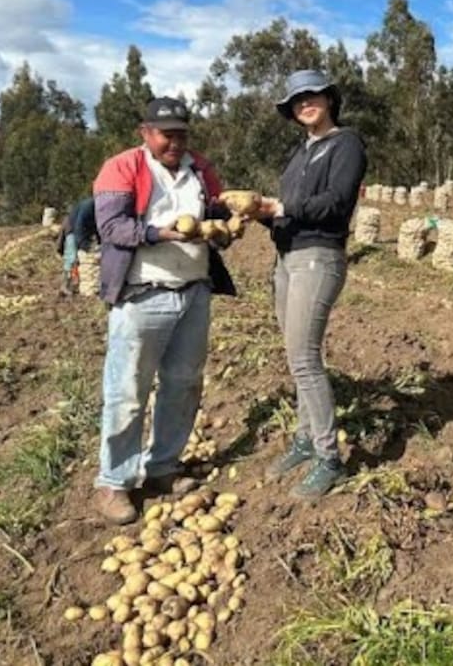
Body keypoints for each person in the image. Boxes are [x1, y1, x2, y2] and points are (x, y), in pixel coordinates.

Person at [90, 96, 237, 525]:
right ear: (146, 133)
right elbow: (112, 227)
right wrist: (161, 233)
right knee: (128, 391)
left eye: (181, 134)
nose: (175, 142)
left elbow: (214, 214)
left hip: (193, 293)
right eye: (166, 134)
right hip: (142, 295)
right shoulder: (122, 167)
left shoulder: (201, 169)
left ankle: (162, 470)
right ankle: (114, 482)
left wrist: (223, 229)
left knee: (183, 384)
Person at [255, 70, 367, 500]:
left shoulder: (346, 143)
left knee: (304, 357)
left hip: (318, 258)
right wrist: (258, 210)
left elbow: (336, 203)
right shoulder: (300, 154)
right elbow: (289, 211)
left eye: (312, 95)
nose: (305, 103)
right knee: (294, 354)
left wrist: (282, 205)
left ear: (328, 98)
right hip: (286, 259)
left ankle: (329, 457)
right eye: (297, 99)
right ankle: (305, 438)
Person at [56, 196, 99, 295]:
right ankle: (65, 285)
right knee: (71, 257)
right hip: (72, 226)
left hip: (86, 229)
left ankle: (82, 282)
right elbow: (79, 228)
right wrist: (85, 246)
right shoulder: (89, 206)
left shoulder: (101, 208)